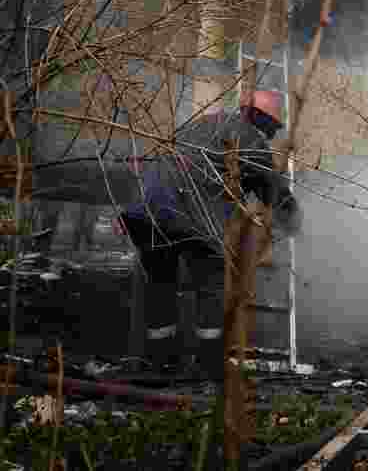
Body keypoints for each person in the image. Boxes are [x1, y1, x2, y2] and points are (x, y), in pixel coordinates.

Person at [118, 89, 298, 378]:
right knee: (211, 284)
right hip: (189, 212)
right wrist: (295, 224)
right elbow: (270, 189)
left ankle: (158, 362)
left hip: (146, 209)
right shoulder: (248, 137)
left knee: (160, 283)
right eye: (274, 127)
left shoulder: (202, 124)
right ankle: (207, 363)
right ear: (263, 120)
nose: (273, 134)